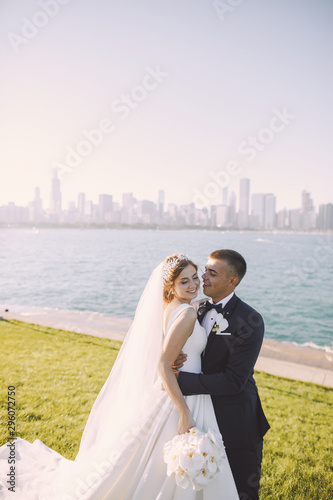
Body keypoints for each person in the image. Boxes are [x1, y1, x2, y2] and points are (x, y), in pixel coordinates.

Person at [0, 254, 239, 499]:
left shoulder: (171, 308)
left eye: (194, 278)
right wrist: (184, 413)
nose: (193, 285)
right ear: (171, 286)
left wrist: (174, 359)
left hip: (178, 391)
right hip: (181, 398)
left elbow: (165, 352)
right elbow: (162, 364)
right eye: (184, 281)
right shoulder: (188, 313)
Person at [175, 249, 270, 500]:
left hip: (237, 421)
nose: (202, 277)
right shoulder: (195, 309)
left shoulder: (250, 320)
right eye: (205, 269)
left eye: (212, 273)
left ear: (232, 281)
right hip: (199, 414)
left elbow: (233, 381)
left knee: (241, 489)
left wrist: (178, 380)